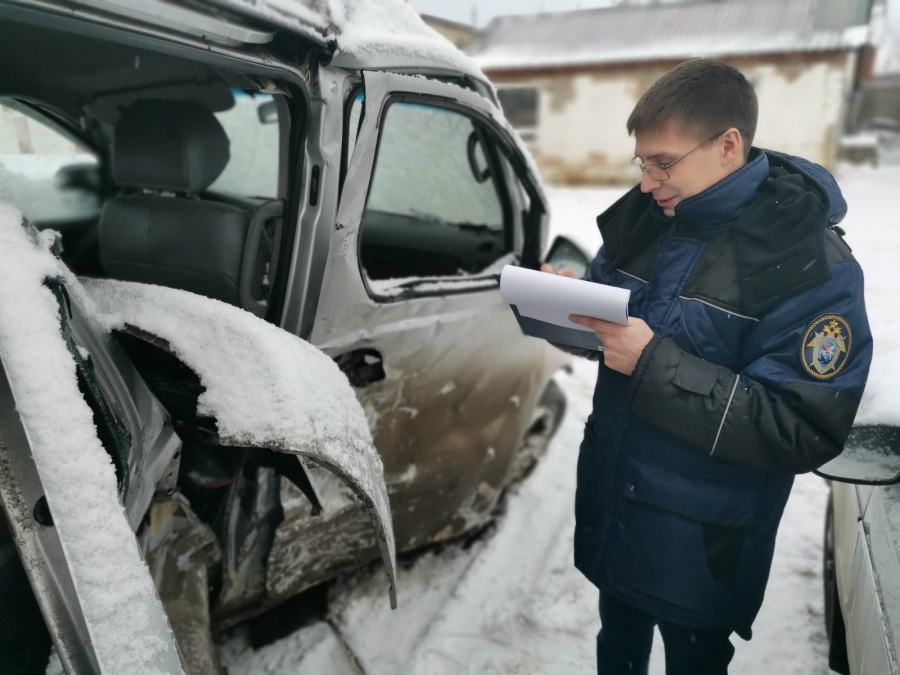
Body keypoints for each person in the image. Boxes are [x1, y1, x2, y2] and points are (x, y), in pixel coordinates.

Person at [541, 58, 872, 674]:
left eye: (663, 163)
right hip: (619, 508)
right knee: (616, 650)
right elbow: (612, 322)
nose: (647, 182)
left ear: (727, 146)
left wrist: (650, 364)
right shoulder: (648, 217)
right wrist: (566, 304)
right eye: (641, 163)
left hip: (702, 545)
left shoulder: (805, 262)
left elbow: (799, 426)